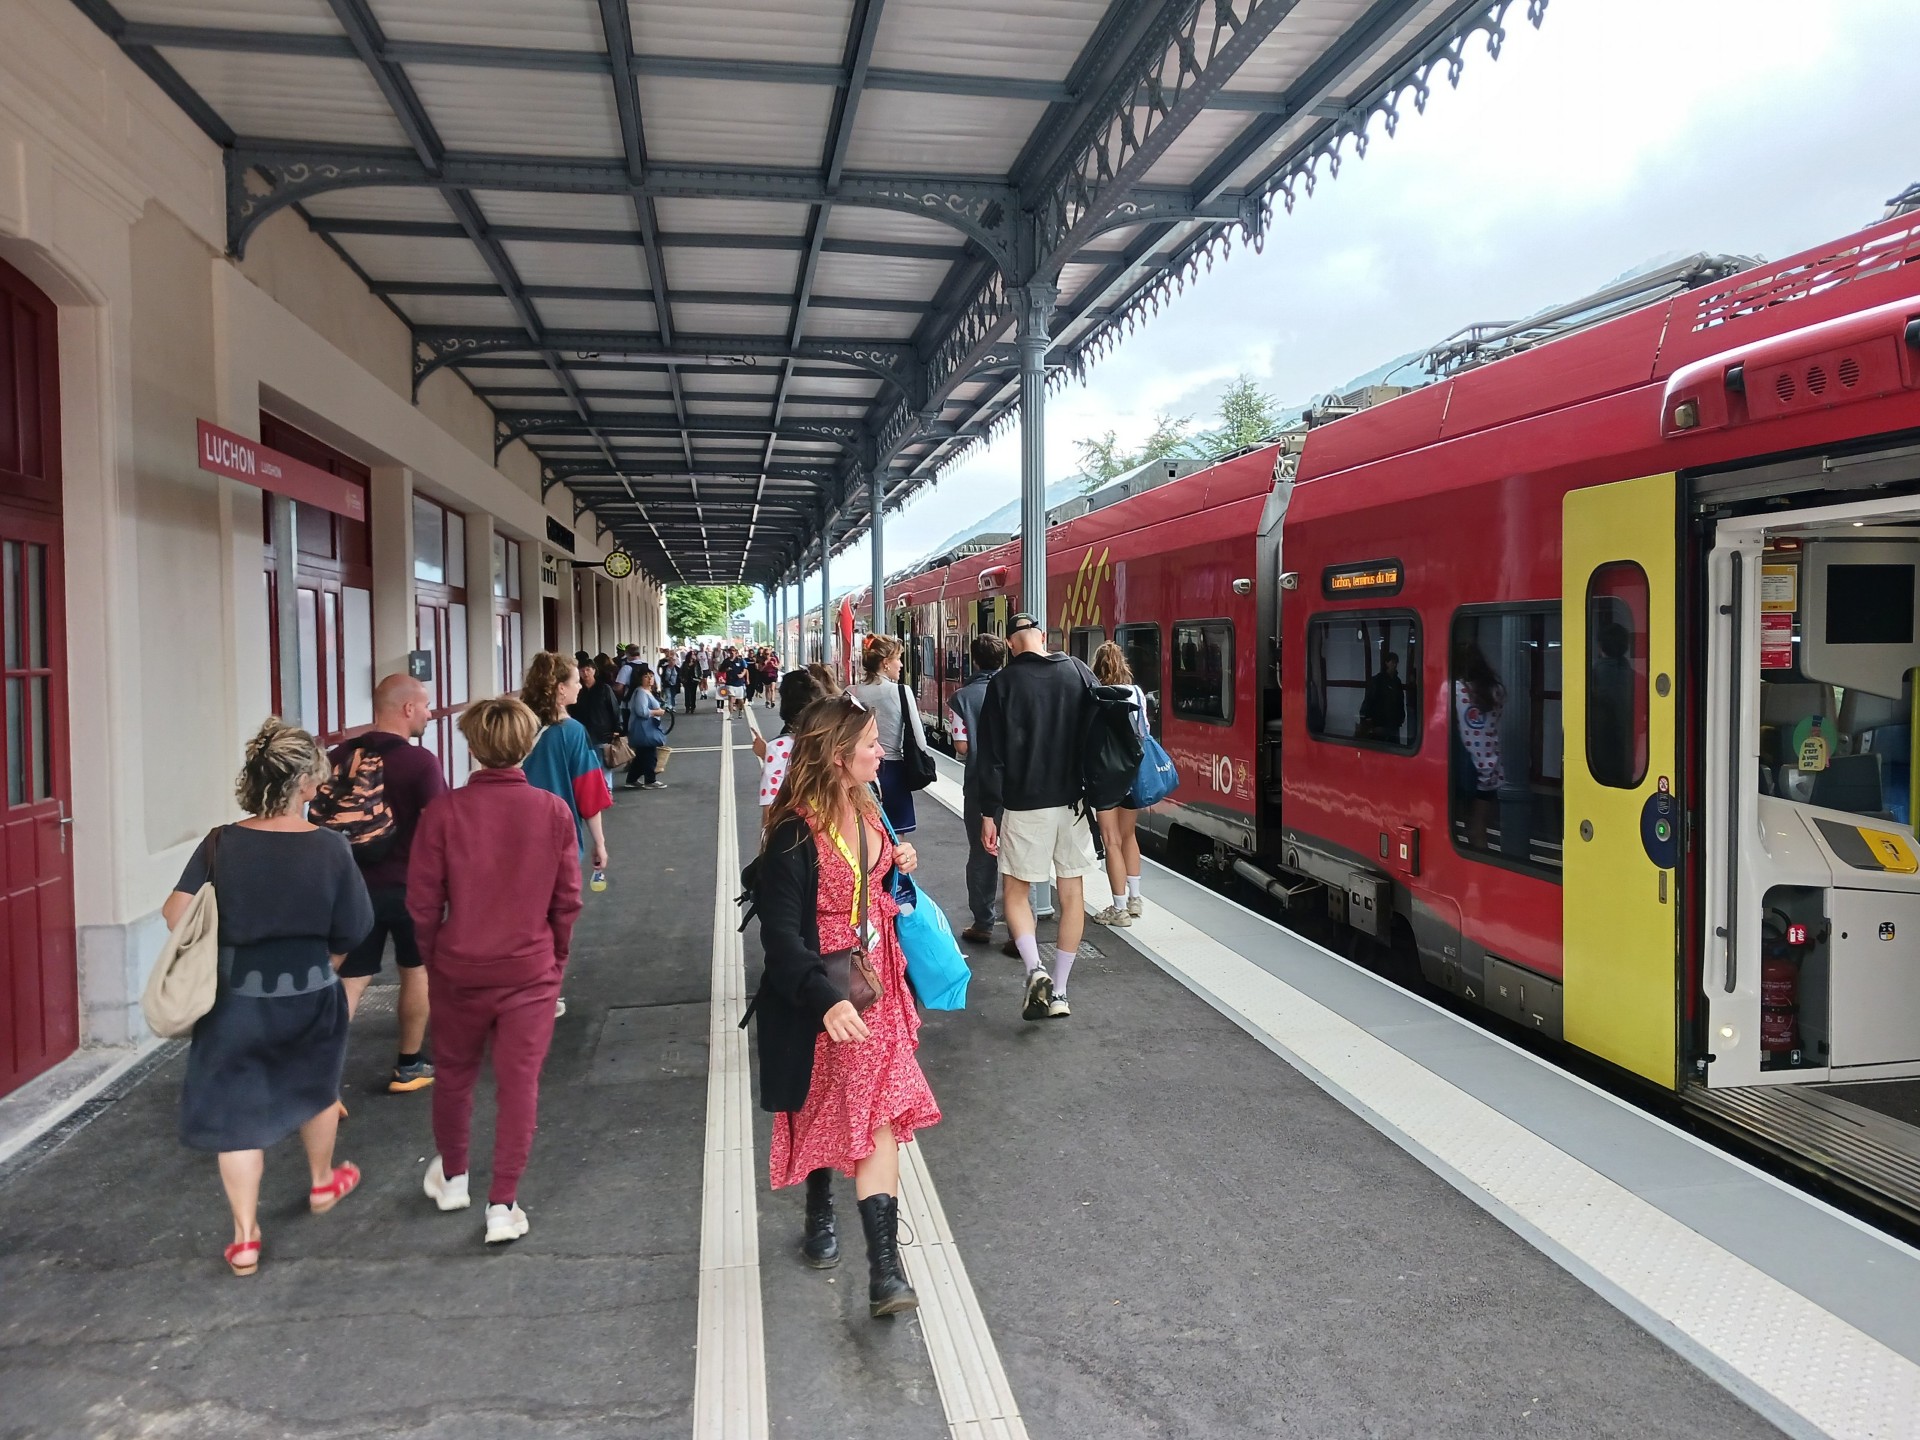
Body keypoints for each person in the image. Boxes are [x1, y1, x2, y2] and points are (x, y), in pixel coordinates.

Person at [749, 695, 940, 1318]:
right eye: (870, 744)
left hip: (878, 984)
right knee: (830, 1101)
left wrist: (898, 863)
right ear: (838, 757)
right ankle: (819, 1204)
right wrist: (823, 1001)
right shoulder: (792, 831)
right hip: (824, 987)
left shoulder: (870, 803)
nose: (881, 751)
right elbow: (779, 938)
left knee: (875, 1112)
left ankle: (885, 1271)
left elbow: (873, 878)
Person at [162, 718, 374, 1276]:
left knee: (237, 1116)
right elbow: (353, 929)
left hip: (234, 1001)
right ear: (303, 783)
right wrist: (321, 968)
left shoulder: (221, 843)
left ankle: (245, 1237)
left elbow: (175, 914)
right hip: (308, 992)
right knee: (317, 1087)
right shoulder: (330, 848)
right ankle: (324, 1183)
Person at [409, 697, 582, 1246]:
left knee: (455, 1075)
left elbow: (420, 902)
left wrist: (437, 955)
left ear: (472, 747)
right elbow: (567, 900)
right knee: (519, 1085)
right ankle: (502, 1204)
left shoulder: (443, 812)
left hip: (459, 966)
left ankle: (455, 1174)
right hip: (530, 969)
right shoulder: (552, 812)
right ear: (529, 745)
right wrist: (554, 961)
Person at [976, 611, 1101, 1022]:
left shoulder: (1004, 683)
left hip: (1024, 804)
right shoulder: (1079, 672)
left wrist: (988, 812)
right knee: (1072, 895)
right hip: (1074, 805)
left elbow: (990, 756)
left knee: (1015, 893)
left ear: (1011, 644)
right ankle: (1061, 992)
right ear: (1043, 637)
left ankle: (1035, 970)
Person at [329, 674, 447, 1093]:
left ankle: (317, 1073)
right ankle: (409, 1065)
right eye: (427, 706)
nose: (431, 714)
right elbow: (441, 824)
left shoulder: (340, 755)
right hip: (411, 888)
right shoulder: (420, 763)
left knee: (351, 978)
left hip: (353, 889)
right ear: (407, 709)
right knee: (416, 971)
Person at [520, 651, 614, 1019]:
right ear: (560, 690)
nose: (580, 685)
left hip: (511, 837)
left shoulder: (519, 725)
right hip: (556, 841)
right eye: (574, 680)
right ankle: (544, 990)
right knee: (555, 920)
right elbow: (588, 796)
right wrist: (600, 844)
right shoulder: (572, 732)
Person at [945, 633, 1006, 944]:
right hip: (1017, 785)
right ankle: (1022, 922)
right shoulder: (1013, 688)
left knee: (982, 852)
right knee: (1019, 853)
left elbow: (962, 745)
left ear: (974, 660)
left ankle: (983, 921)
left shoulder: (963, 697)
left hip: (980, 785)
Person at [1088, 642, 1149, 928]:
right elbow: (1144, 731)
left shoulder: (1093, 696)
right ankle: (1135, 899)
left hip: (1106, 776)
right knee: (1129, 836)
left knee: (1110, 841)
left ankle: (1119, 908)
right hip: (1133, 772)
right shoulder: (1136, 693)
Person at [850, 635, 930, 837]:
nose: (901, 664)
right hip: (893, 774)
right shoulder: (901, 692)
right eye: (898, 659)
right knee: (897, 843)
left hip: (857, 774)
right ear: (886, 663)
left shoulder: (851, 692)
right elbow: (920, 741)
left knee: (862, 839)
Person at [1451, 639, 1506, 849]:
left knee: (1464, 827)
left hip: (1466, 768)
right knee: (1479, 827)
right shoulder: (1496, 691)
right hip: (1491, 769)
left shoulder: (1455, 690)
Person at [755, 668, 827, 812]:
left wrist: (767, 755)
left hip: (795, 824)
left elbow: (771, 802)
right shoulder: (829, 734)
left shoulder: (779, 746)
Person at [568, 658, 621, 798]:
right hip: (583, 733)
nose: (585, 673)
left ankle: (607, 790)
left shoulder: (604, 688)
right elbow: (571, 711)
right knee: (588, 763)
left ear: (594, 671)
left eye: (588, 670)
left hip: (603, 732)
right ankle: (593, 791)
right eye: (582, 670)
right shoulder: (577, 690)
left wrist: (617, 728)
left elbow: (614, 708)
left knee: (605, 763)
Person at [624, 668, 669, 790]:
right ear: (640, 679)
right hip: (644, 729)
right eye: (646, 677)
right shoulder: (641, 693)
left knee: (641, 756)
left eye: (651, 676)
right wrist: (657, 712)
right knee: (649, 754)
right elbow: (641, 711)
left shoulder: (645, 692)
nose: (650, 679)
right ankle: (650, 780)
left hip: (645, 729)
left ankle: (632, 779)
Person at [1357, 649, 1408, 742]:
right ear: (1386, 663)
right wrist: (1367, 717)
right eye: (1392, 662)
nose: (1395, 665)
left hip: (1394, 722)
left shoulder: (1397, 682)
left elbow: (1400, 701)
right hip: (1380, 722)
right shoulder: (1378, 680)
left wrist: (1401, 717)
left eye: (1396, 662)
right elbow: (1370, 699)